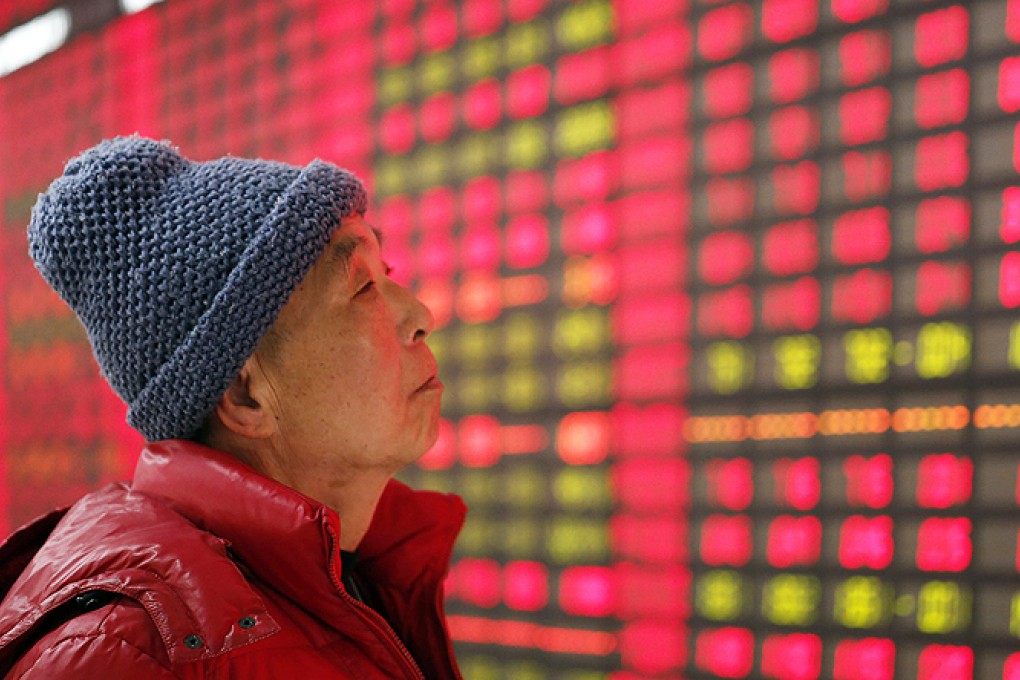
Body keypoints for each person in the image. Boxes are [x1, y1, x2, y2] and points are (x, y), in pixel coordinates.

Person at [0, 136, 465, 678]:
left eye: (388, 273)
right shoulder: (124, 655)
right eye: (363, 287)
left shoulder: (359, 574)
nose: (420, 314)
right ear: (246, 396)